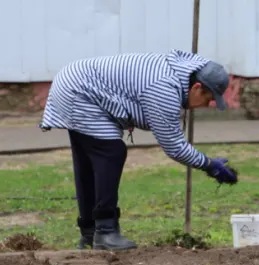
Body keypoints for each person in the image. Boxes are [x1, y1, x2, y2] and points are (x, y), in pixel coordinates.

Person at [40, 49, 238, 251]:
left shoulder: (189, 68)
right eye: (209, 99)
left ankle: (90, 233)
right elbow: (174, 146)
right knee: (110, 152)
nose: (206, 104)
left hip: (73, 81)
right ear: (197, 87)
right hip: (80, 91)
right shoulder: (164, 88)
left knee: (89, 160)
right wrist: (209, 165)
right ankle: (105, 232)